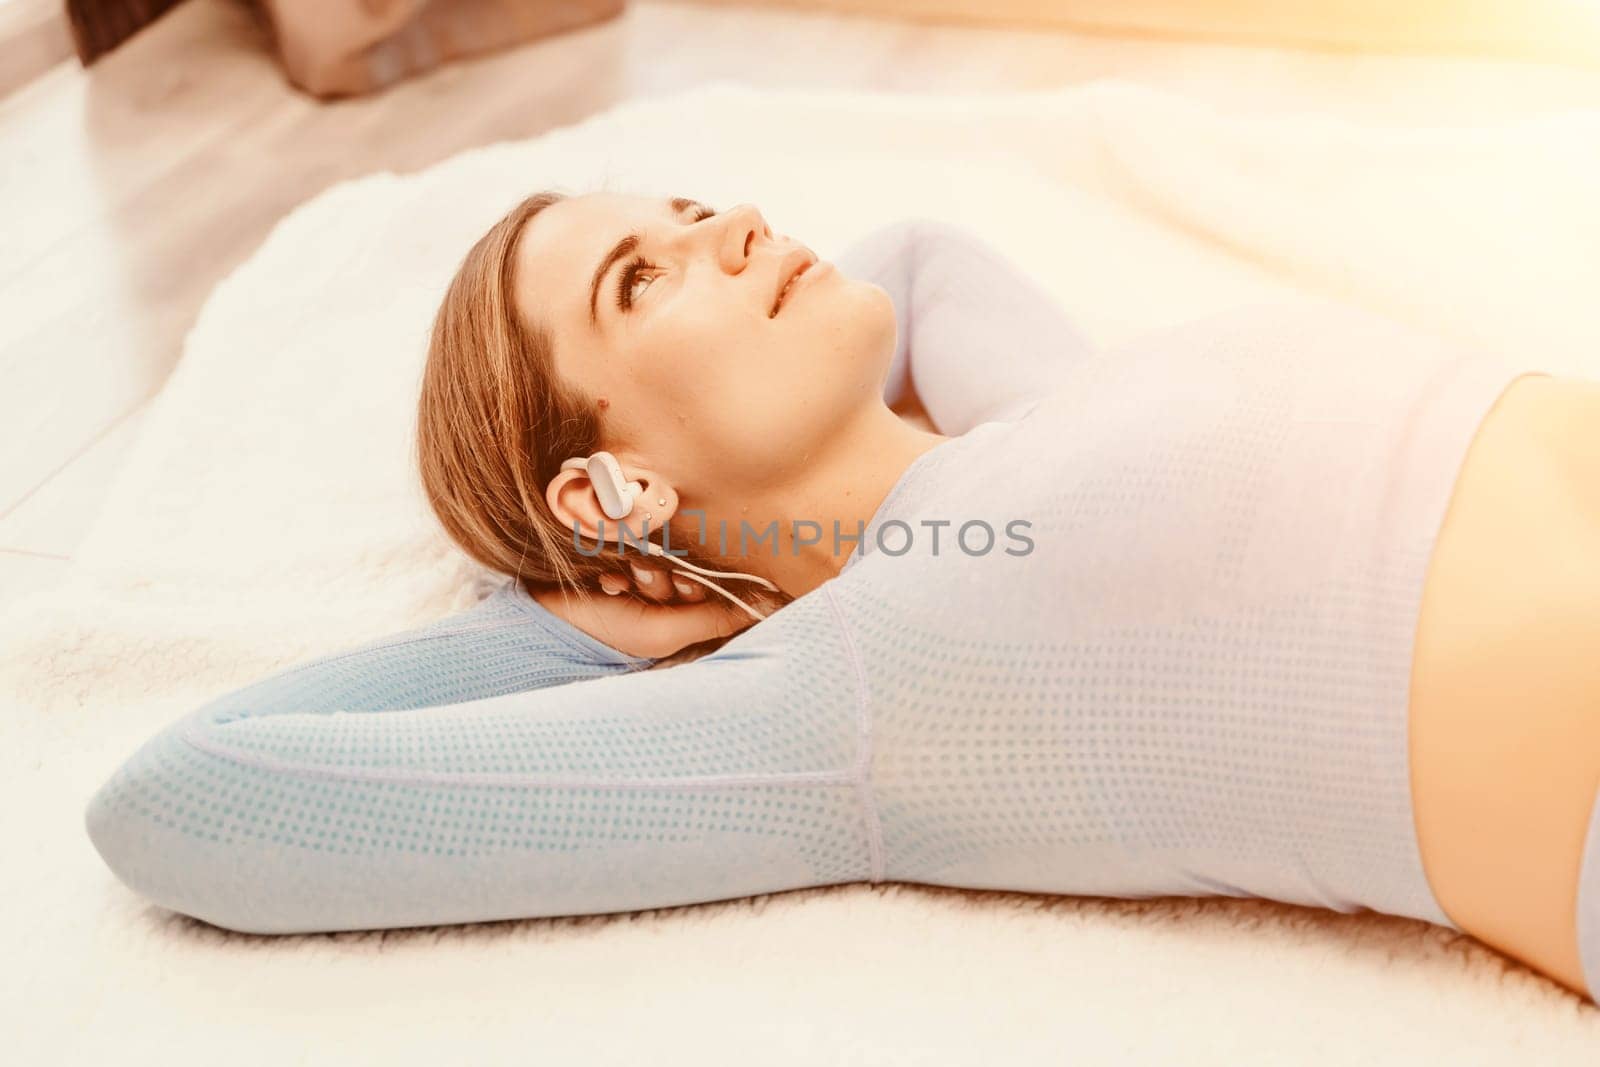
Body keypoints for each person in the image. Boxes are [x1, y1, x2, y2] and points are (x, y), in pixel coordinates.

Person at [84, 192, 1600, 1006]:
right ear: (607, 485)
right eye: (639, 279)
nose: (730, 225)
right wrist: (605, 600)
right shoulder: (852, 698)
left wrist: (694, 513)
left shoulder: (1041, 412)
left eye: (690, 209)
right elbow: (187, 800)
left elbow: (922, 255)